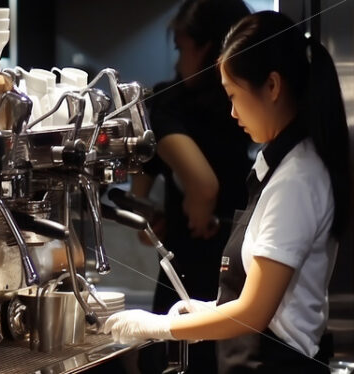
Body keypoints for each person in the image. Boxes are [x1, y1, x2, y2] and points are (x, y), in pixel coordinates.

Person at [106, 10, 350, 374]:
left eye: (234, 95)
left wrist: (159, 326)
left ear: (272, 86)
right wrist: (208, 310)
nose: (233, 112)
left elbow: (254, 312)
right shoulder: (280, 166)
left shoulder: (298, 178)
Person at [130, 0, 252, 372]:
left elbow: (202, 186)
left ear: (206, 48)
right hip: (239, 262)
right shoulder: (244, 104)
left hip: (197, 263)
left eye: (182, 48)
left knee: (180, 357)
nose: (177, 61)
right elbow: (143, 192)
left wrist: (156, 216)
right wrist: (149, 215)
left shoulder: (170, 104)